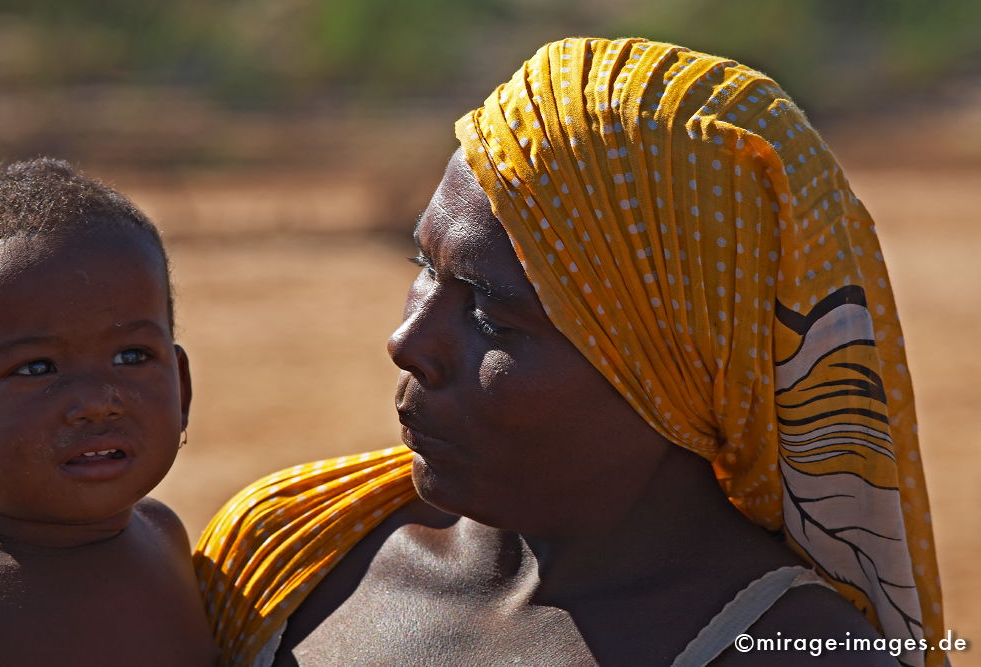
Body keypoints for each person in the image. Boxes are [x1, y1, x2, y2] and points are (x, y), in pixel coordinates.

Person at [196, 38, 945, 666]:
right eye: (424, 267)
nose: (408, 342)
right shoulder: (286, 554)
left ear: (678, 368)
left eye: (491, 314)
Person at [0, 159, 216, 665]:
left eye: (132, 357)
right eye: (37, 367)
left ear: (184, 389)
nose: (96, 402)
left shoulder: (164, 538)